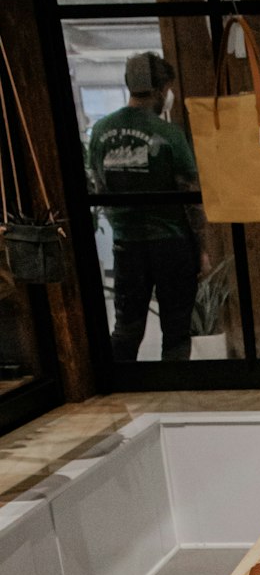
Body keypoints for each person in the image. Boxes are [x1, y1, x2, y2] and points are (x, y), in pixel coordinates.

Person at [89, 52, 209, 363]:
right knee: (176, 330)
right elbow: (190, 197)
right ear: (159, 90)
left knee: (127, 329)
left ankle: (121, 394)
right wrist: (202, 249)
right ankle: (174, 396)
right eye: (168, 88)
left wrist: (124, 226)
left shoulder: (101, 131)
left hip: (127, 245)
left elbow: (100, 188)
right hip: (171, 243)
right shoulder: (168, 134)